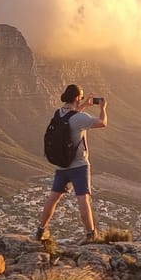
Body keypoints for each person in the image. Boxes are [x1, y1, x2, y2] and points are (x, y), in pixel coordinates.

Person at [35, 84, 108, 244]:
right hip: (79, 166)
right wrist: (102, 108)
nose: (82, 99)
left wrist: (84, 105)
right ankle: (91, 235)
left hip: (61, 166)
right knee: (83, 201)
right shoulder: (81, 118)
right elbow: (102, 123)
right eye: (81, 97)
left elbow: (71, 117)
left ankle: (41, 230)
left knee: (53, 198)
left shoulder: (58, 114)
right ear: (76, 98)